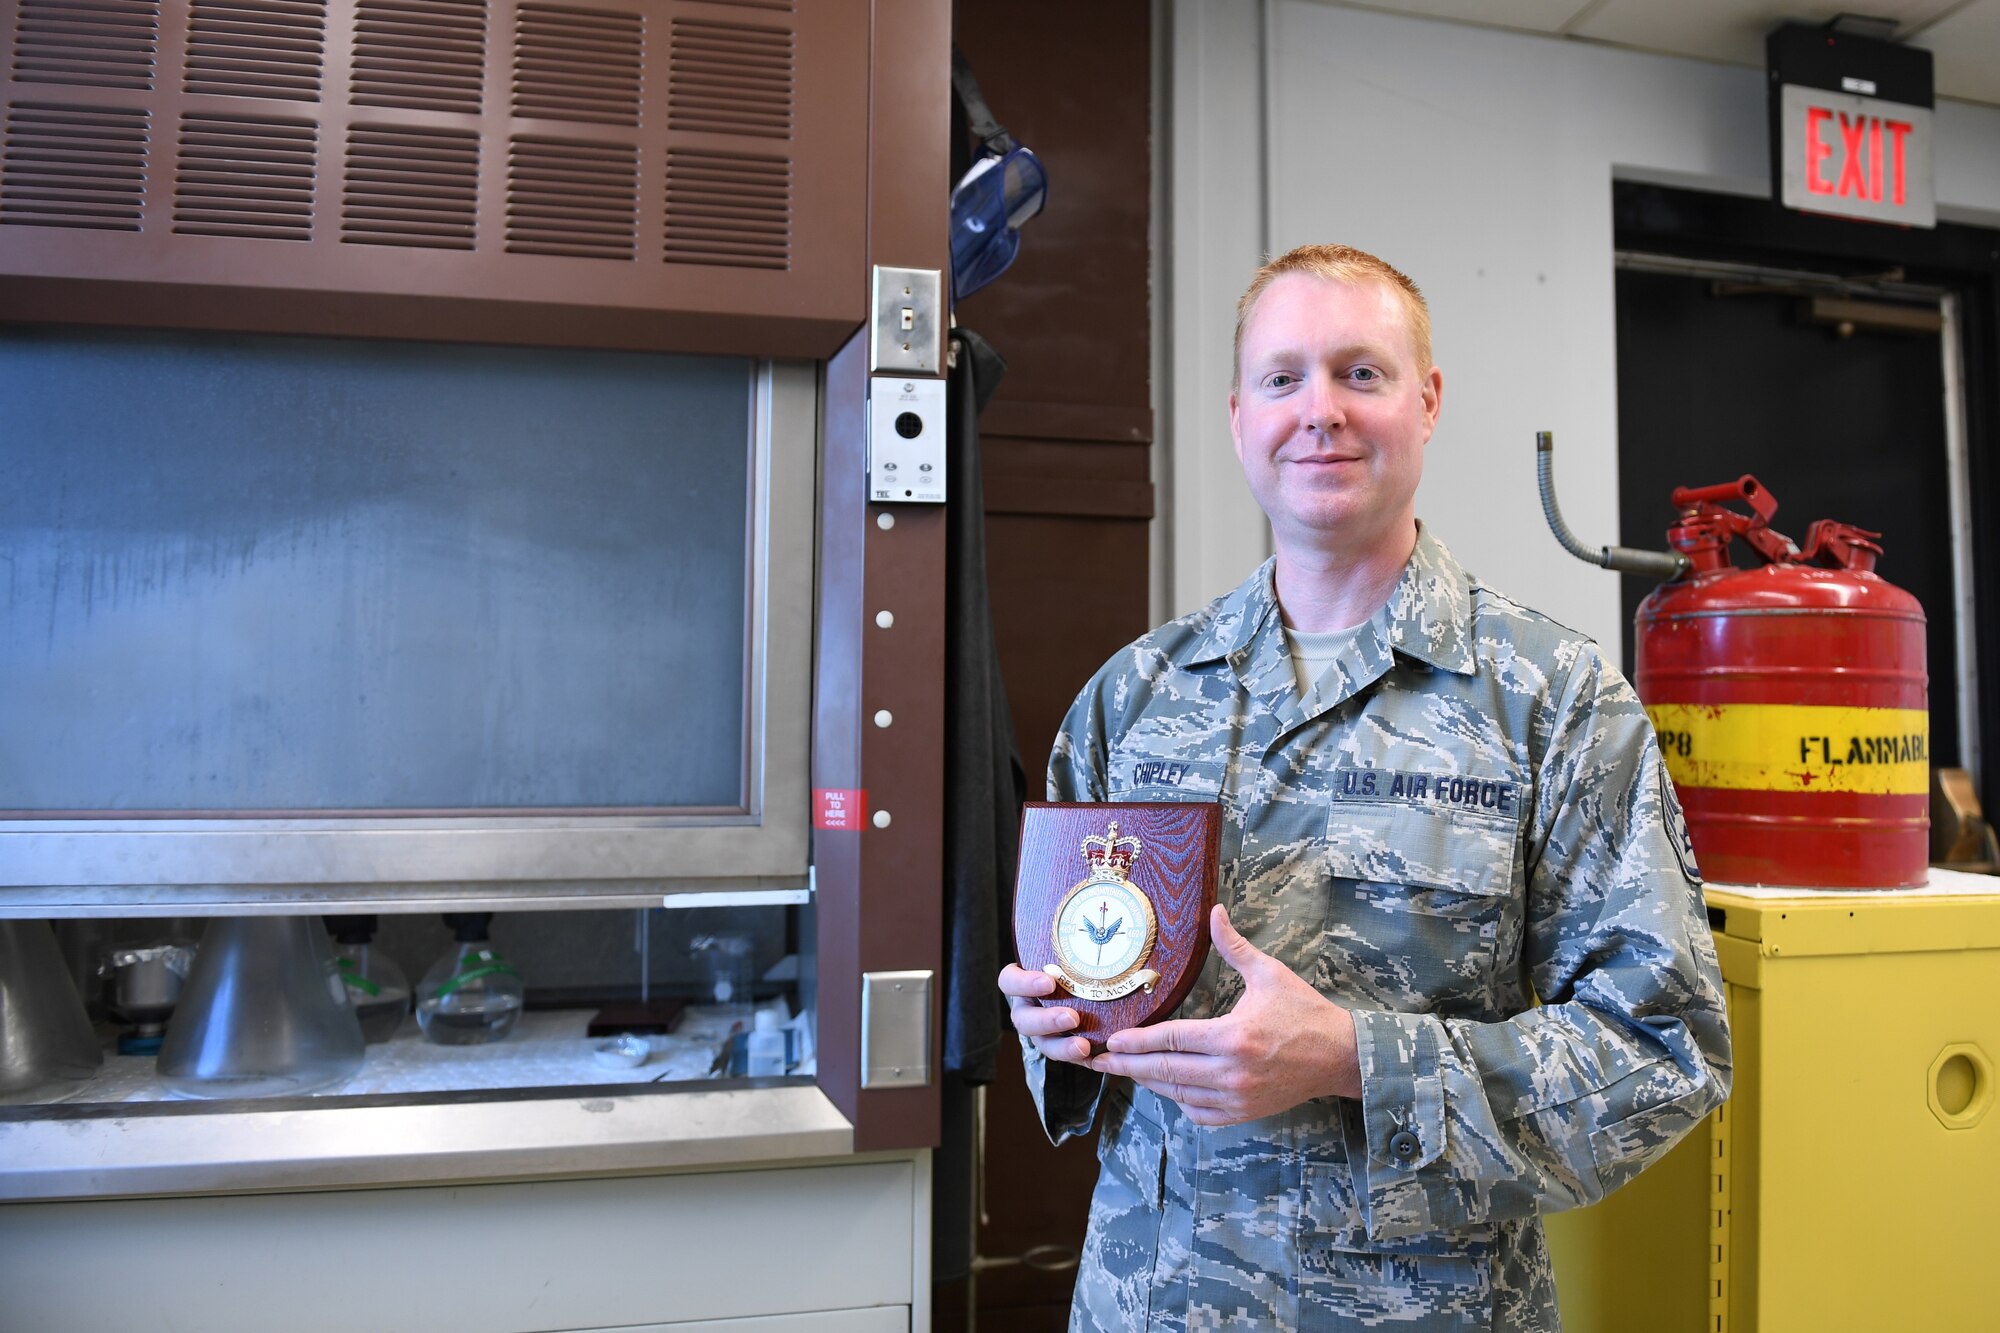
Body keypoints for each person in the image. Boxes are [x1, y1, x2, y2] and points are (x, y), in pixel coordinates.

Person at [998, 243, 1731, 1332]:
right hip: (1150, 1300)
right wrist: (1054, 1022)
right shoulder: (1133, 695)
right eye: (1284, 378)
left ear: (1425, 404)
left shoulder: (1553, 701)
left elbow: (1663, 1051)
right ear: (1237, 413)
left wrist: (1357, 1059)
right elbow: (1080, 982)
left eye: (1361, 373)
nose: (1320, 411)